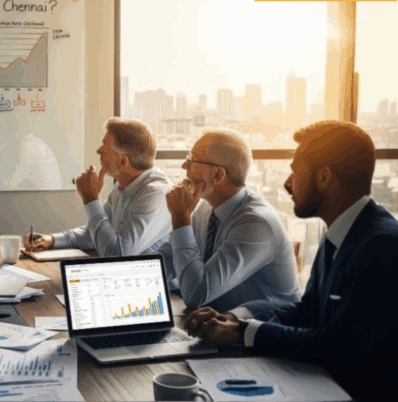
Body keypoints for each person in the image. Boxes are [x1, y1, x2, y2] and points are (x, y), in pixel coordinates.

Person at [183, 121, 398, 402]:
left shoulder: (381, 246)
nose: (287, 183)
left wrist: (244, 332)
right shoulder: (341, 231)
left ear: (324, 178)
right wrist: (235, 318)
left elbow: (337, 345)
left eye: (295, 171)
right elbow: (308, 311)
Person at [157, 128, 300, 312]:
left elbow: (196, 295)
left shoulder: (255, 224)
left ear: (217, 175)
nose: (184, 167)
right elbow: (167, 259)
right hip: (215, 326)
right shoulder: (206, 208)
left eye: (191, 160)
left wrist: (180, 218)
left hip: (257, 334)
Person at [24, 117, 172, 257]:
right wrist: (52, 240)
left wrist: (90, 198)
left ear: (122, 162)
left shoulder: (155, 194)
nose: (98, 151)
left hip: (155, 282)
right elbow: (96, 233)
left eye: (105, 147)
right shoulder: (122, 187)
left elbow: (118, 254)